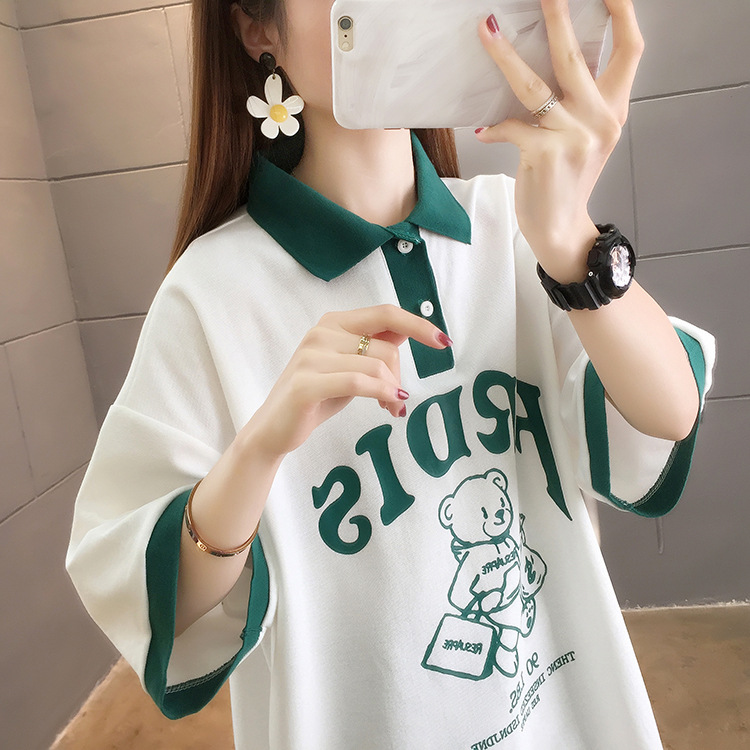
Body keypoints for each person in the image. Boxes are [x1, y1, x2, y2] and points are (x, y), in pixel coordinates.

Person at [66, 0, 716, 748]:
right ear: (258, 29)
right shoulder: (209, 294)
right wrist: (256, 453)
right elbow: (153, 605)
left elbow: (670, 416)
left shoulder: (513, 220)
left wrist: (574, 242)